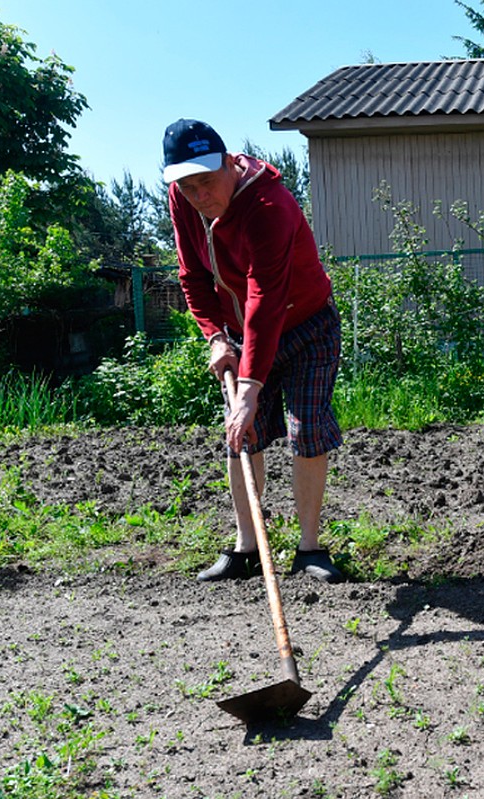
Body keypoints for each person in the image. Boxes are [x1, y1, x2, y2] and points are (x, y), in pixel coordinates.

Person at [161, 118, 344, 583]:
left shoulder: (269, 205)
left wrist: (248, 389)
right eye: (187, 186)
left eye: (206, 182)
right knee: (242, 435)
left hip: (305, 325)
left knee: (307, 429)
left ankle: (309, 550)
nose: (199, 196)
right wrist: (216, 337)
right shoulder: (183, 200)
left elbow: (265, 296)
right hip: (241, 330)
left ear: (228, 164)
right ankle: (247, 549)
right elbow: (193, 277)